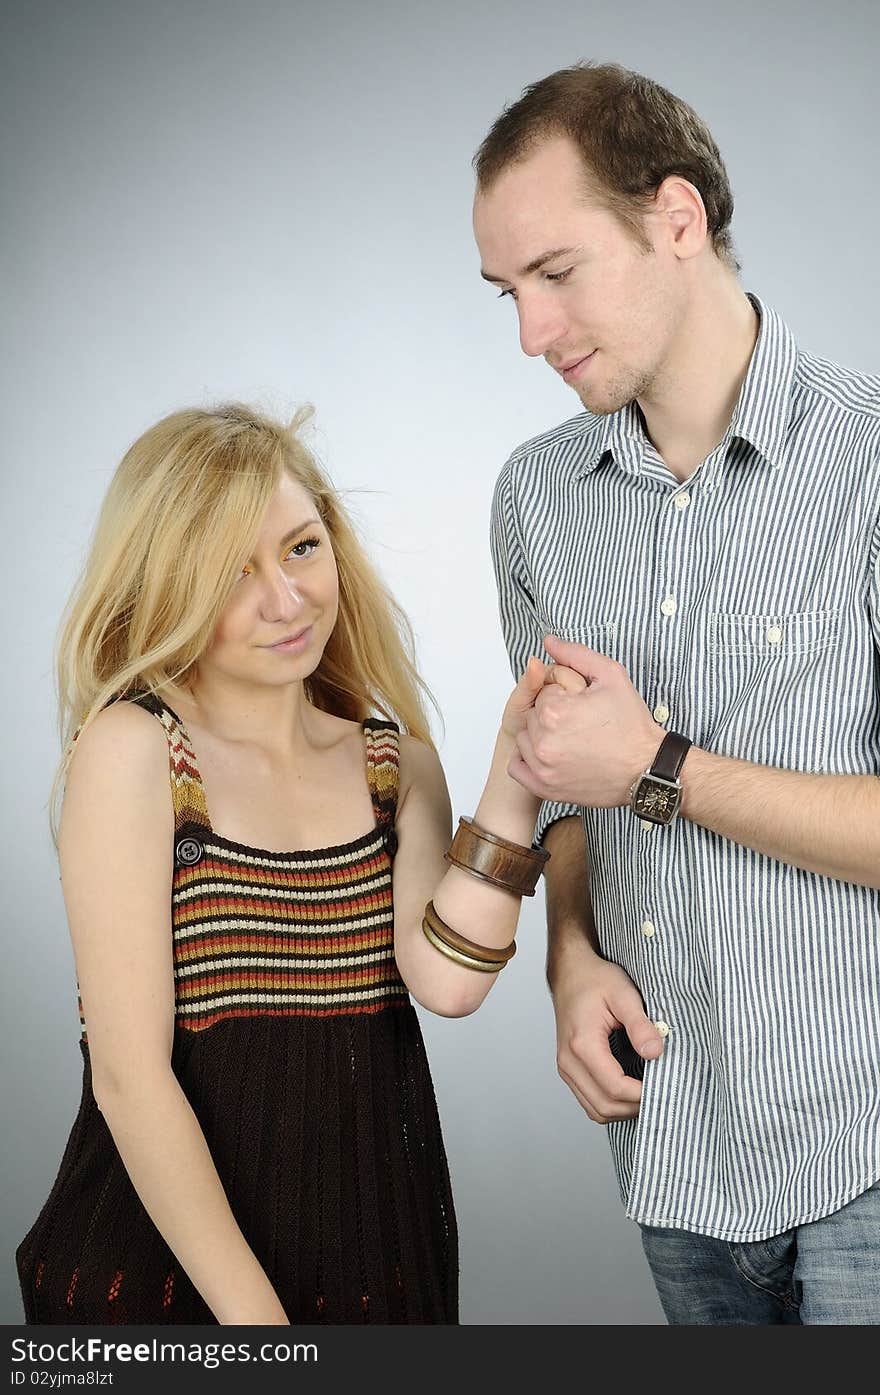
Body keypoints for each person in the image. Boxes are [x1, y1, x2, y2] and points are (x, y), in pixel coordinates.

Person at [16, 401, 577, 1325]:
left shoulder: (392, 763)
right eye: (231, 571)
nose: (286, 598)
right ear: (168, 588)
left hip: (376, 1268)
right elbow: (128, 1075)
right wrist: (259, 1328)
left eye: (302, 547)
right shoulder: (136, 750)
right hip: (165, 1284)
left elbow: (446, 983)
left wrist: (516, 775)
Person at [473, 62, 880, 1324]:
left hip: (864, 1146)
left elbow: (627, 767)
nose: (530, 336)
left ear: (677, 219)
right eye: (506, 294)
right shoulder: (534, 501)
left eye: (556, 274)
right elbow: (566, 792)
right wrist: (568, 959)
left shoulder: (868, 465)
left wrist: (661, 765)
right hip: (670, 1146)